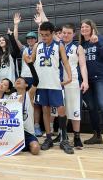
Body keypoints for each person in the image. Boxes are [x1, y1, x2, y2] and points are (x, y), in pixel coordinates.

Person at [32, 21, 74, 154]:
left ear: (53, 34)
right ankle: (49, 138)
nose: (44, 37)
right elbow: (31, 61)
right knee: (45, 109)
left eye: (47, 35)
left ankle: (64, 139)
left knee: (61, 110)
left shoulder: (59, 45)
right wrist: (27, 58)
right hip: (42, 84)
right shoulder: (37, 46)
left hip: (55, 83)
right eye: (42, 35)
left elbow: (66, 62)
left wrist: (70, 76)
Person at [80, 19, 103, 153]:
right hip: (87, 81)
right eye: (82, 27)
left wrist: (98, 43)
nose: (84, 29)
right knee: (92, 108)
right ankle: (97, 135)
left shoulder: (99, 38)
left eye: (86, 27)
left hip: (100, 78)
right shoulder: (82, 44)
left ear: (92, 28)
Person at [62, 23, 89, 149]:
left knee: (74, 110)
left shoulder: (78, 47)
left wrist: (85, 81)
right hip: (59, 82)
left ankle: (77, 137)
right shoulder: (57, 45)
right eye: (64, 32)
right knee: (62, 110)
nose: (66, 35)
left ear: (73, 34)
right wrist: (41, 15)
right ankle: (63, 135)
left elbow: (83, 66)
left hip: (73, 82)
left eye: (68, 33)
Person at [10, 54, 40, 155]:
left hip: (28, 132)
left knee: (35, 149)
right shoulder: (11, 96)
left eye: (21, 80)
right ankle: (21, 146)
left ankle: (25, 145)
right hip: (14, 131)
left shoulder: (29, 95)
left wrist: (30, 64)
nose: (18, 80)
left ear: (26, 85)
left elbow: (36, 81)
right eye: (17, 80)